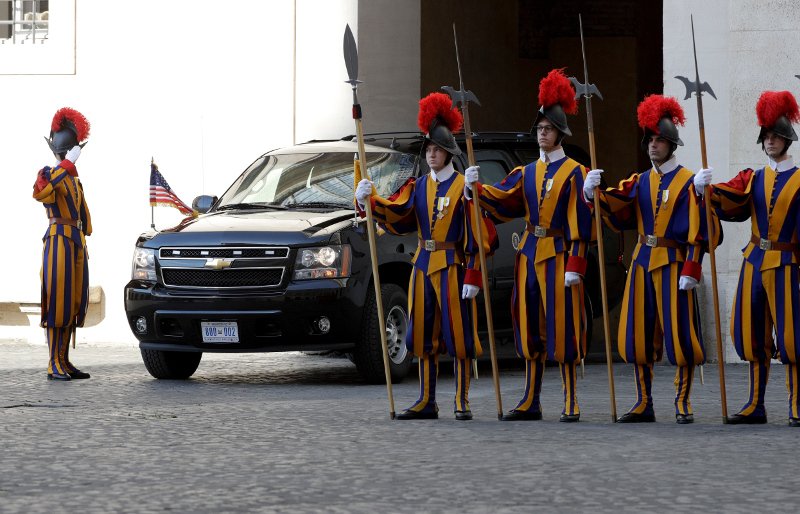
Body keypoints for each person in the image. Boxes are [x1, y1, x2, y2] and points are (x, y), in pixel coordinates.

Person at [355, 92, 497, 420]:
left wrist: (473, 274)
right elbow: (400, 214)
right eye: (429, 149)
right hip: (422, 266)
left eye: (438, 150)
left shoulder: (464, 186)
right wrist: (369, 201)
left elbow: (480, 233)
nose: (432, 154)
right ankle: (426, 400)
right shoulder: (418, 186)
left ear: (449, 153)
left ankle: (462, 400)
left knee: (459, 336)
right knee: (421, 334)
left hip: (453, 267)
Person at [465, 69, 594, 422]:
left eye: (547, 129)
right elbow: (503, 199)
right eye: (539, 129)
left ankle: (570, 399)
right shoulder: (527, 172)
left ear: (560, 133)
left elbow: (582, 223)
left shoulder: (575, 172)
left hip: (559, 256)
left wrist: (576, 265)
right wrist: (475, 189)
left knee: (564, 327)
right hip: (529, 256)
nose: (542, 133)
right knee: (528, 325)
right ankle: (530, 398)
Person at [583, 95, 710, 424]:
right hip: (642, 260)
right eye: (650, 140)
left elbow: (699, 228)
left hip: (672, 260)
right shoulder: (639, 180)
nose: (653, 146)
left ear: (671, 145)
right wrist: (592, 192)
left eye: (659, 141)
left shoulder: (687, 180)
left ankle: (683, 402)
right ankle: (644, 401)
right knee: (638, 333)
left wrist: (692, 267)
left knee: (679, 333)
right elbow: (618, 203)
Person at [702, 90, 800, 427]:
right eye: (767, 136)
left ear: (787, 139)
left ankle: (797, 404)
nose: (770, 141)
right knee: (753, 335)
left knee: (792, 338)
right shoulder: (753, 177)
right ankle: (755, 404)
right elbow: (732, 199)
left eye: (776, 136)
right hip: (754, 263)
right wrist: (707, 190)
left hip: (788, 265)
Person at [33, 107, 93, 381]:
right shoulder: (50, 173)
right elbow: (40, 193)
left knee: (73, 302)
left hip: (75, 242)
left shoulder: (72, 179)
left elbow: (83, 214)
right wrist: (65, 165)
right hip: (58, 242)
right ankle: (52, 363)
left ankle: (64, 360)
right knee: (58, 302)